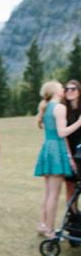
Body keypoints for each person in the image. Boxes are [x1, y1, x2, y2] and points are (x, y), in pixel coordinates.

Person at [34, 80, 81, 238]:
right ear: (55, 91)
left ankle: (43, 225)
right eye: (62, 87)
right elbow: (62, 133)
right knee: (54, 194)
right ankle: (49, 229)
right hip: (56, 150)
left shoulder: (47, 107)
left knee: (48, 193)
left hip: (48, 147)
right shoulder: (59, 107)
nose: (64, 89)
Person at [62, 80, 81, 211]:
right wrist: (69, 156)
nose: (69, 91)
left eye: (73, 88)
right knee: (70, 185)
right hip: (70, 151)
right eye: (67, 89)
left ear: (79, 91)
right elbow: (62, 135)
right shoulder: (63, 111)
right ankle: (72, 216)